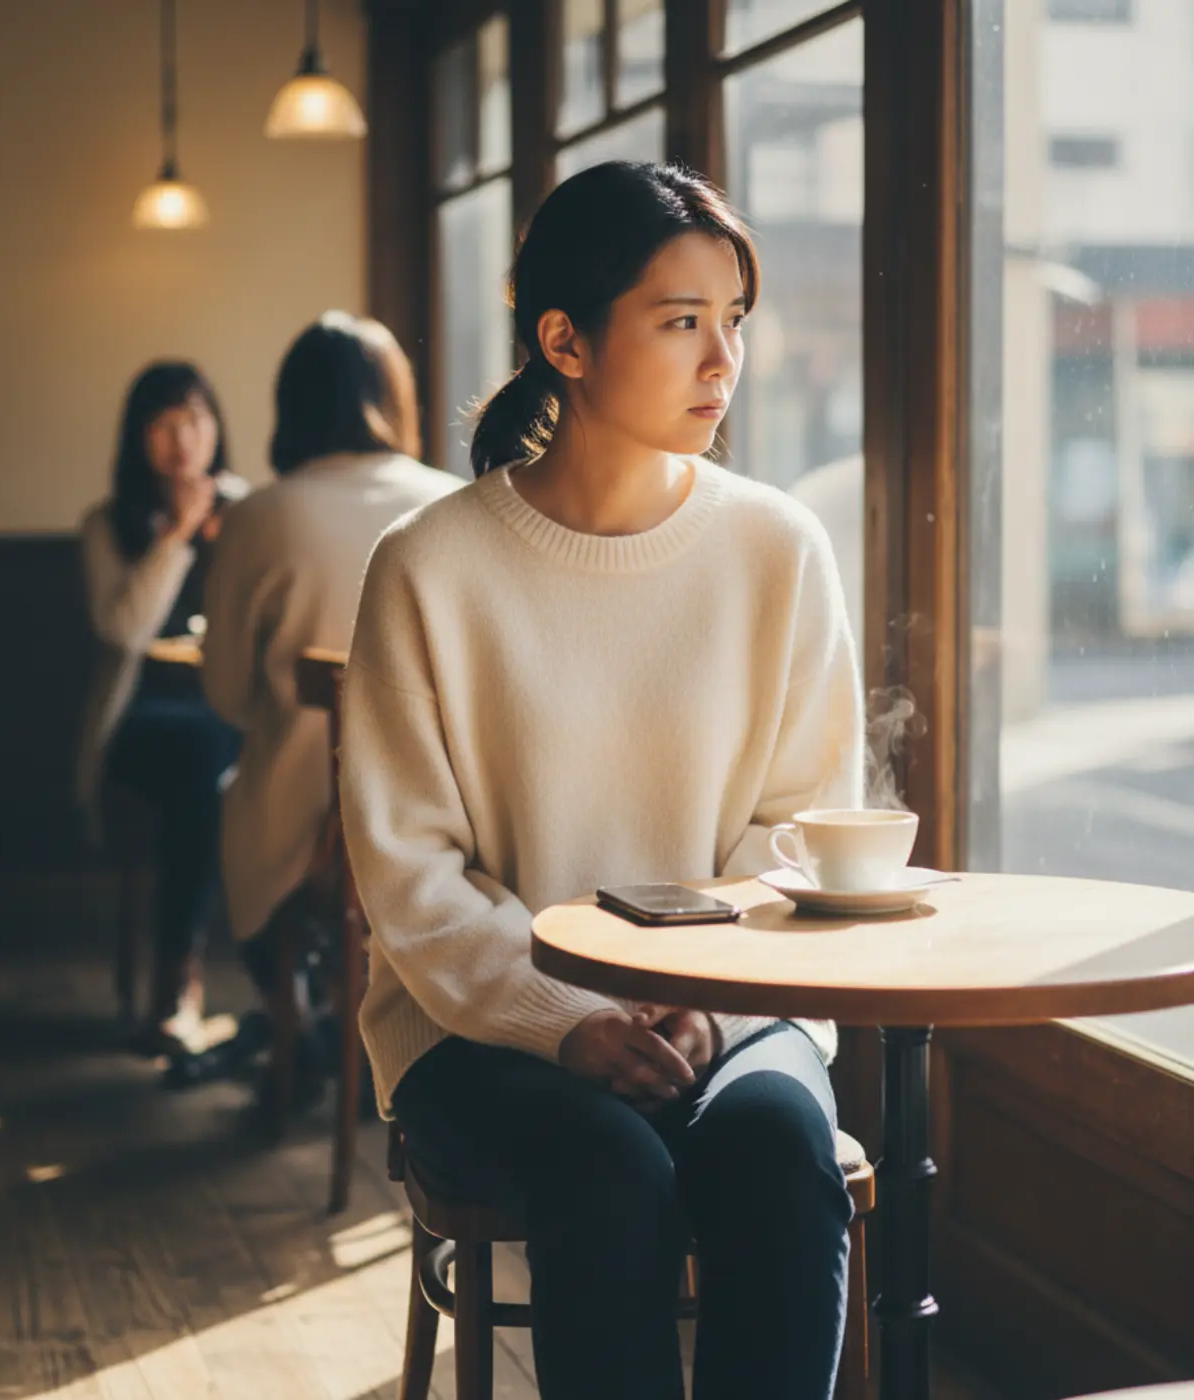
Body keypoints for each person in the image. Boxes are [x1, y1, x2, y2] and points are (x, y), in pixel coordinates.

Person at [339, 162, 864, 1400]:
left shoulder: (777, 547)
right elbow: (410, 878)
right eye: (680, 321)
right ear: (563, 341)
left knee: (780, 1152)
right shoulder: (427, 564)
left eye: (732, 320)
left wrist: (711, 997)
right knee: (607, 1171)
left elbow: (797, 831)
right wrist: (567, 1020)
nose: (720, 361)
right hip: (480, 1021)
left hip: (732, 1007)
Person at [201, 312, 458, 1064]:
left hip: (306, 829)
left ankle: (297, 1019)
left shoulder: (258, 515)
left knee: (233, 798)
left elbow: (224, 696)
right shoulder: (450, 501)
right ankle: (369, 1025)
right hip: (436, 820)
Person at [77, 361, 249, 1054]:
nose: (183, 438)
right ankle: (179, 979)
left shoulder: (246, 512)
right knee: (196, 760)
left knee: (220, 756)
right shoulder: (108, 524)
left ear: (216, 429)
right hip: (142, 713)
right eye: (165, 422)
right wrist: (175, 537)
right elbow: (121, 628)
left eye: (196, 420)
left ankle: (258, 987)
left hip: (229, 707)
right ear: (138, 435)